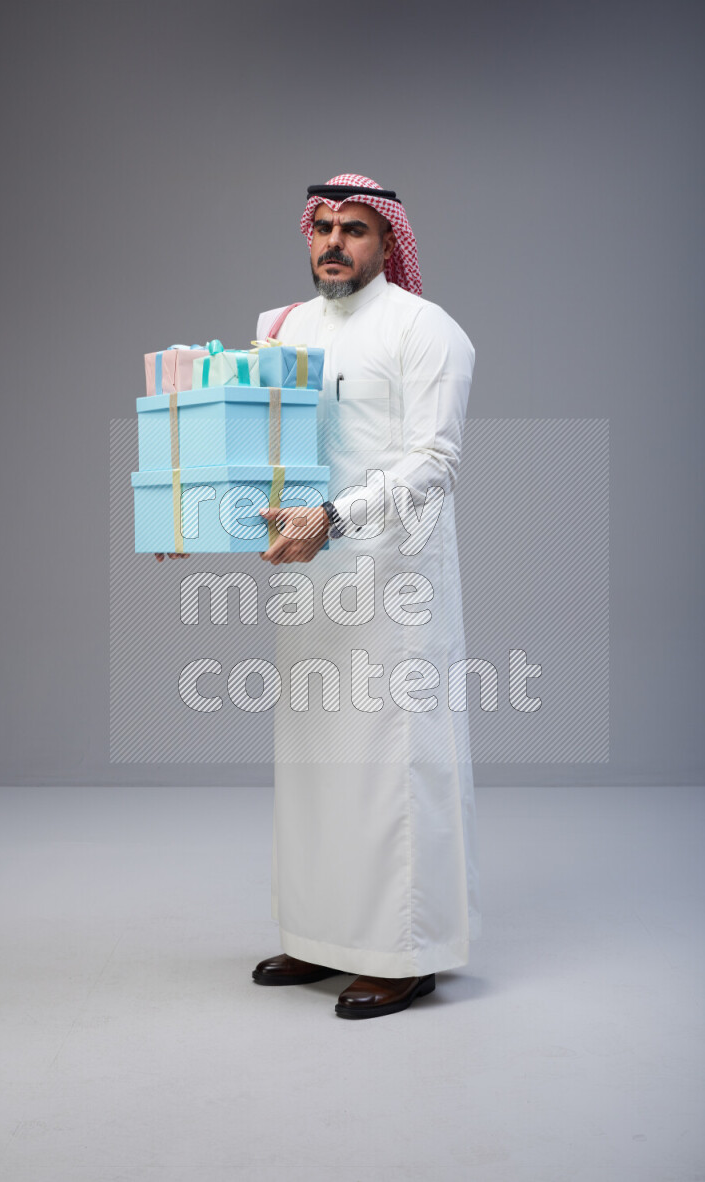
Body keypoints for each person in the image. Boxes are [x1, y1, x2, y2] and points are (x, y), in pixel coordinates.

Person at [251, 174, 481, 1019]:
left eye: (354, 228)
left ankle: (405, 952)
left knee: (392, 763)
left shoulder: (426, 329)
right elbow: (253, 443)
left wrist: (334, 519)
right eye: (322, 228)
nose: (335, 243)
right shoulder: (280, 328)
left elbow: (435, 463)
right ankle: (322, 937)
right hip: (309, 583)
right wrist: (191, 515)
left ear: (388, 242)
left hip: (395, 581)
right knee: (314, 762)